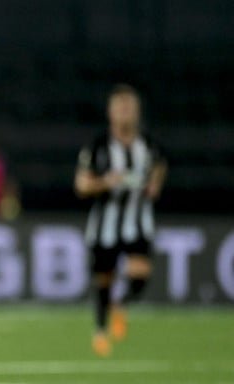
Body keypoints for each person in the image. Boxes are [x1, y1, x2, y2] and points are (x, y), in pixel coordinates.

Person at [74, 84, 168, 357]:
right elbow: (81, 185)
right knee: (104, 279)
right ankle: (100, 332)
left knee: (140, 274)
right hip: (105, 224)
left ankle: (121, 305)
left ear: (137, 112)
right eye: (120, 107)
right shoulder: (98, 147)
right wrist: (105, 182)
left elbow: (161, 165)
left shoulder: (148, 145)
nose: (125, 112)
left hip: (138, 222)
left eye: (130, 107)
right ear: (111, 112)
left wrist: (155, 185)